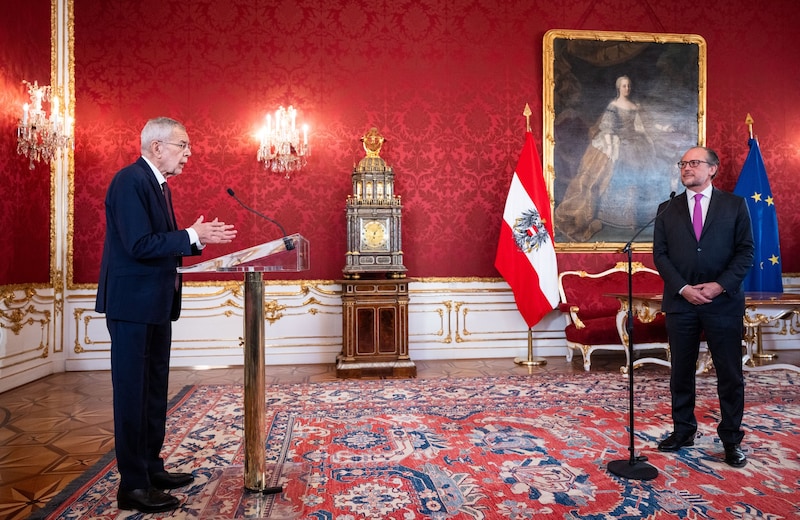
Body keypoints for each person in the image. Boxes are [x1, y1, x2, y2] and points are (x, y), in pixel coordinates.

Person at [95, 117, 237, 512]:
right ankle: (133, 486)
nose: (189, 154)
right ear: (157, 147)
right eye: (183, 145)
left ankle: (151, 468)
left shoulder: (157, 185)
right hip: (132, 306)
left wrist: (191, 236)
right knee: (132, 394)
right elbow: (140, 244)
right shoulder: (130, 181)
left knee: (153, 391)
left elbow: (157, 243)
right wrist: (193, 236)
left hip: (154, 303)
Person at [652, 146, 754, 468]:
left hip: (722, 302)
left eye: (694, 163)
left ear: (713, 169)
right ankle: (683, 431)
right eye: (683, 163)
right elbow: (661, 255)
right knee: (681, 372)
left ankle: (731, 440)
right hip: (681, 304)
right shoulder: (666, 208)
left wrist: (719, 285)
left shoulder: (735, 206)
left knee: (730, 374)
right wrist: (682, 288)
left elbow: (745, 253)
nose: (687, 168)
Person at [555, 75, 679, 242]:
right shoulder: (613, 106)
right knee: (613, 172)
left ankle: (639, 217)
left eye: (628, 86)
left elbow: (645, 124)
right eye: (623, 86)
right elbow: (606, 126)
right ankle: (615, 216)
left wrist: (663, 127)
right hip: (619, 142)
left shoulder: (635, 106)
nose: (626, 89)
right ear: (618, 88)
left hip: (636, 143)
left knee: (645, 172)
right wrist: (610, 141)